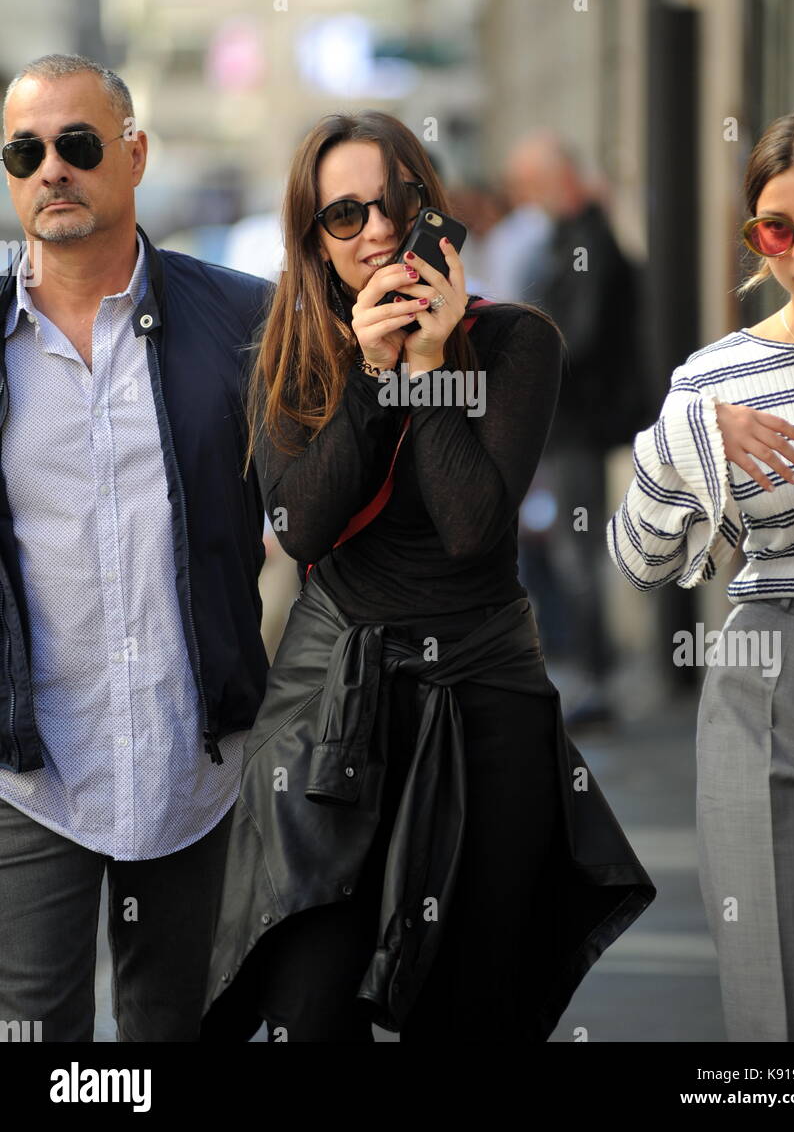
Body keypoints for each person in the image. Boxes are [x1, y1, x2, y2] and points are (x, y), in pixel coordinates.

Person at [200, 110, 654, 1043]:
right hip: (333, 704)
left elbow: (473, 526)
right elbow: (303, 524)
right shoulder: (284, 355)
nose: (373, 231)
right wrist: (370, 374)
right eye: (343, 216)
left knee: (470, 1009)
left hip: (480, 696)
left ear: (433, 214)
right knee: (309, 1000)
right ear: (315, 245)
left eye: (394, 204)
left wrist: (433, 365)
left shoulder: (517, 342)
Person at [0, 53, 273, 1041]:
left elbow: (318, 512)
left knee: (183, 1029)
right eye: (24, 152)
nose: (51, 171)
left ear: (135, 153)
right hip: (31, 773)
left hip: (194, 761)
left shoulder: (242, 317)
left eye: (77, 144)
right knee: (35, 1032)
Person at [608, 106, 794, 1042]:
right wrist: (685, 442)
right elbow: (642, 562)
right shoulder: (714, 380)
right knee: (779, 1002)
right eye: (776, 229)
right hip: (767, 669)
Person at [504, 132, 649, 724]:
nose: (526, 196)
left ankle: (594, 680)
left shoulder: (587, 239)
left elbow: (579, 337)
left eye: (532, 184)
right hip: (564, 424)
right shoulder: (570, 235)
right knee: (564, 550)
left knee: (576, 553)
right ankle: (585, 672)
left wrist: (524, 358)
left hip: (577, 424)